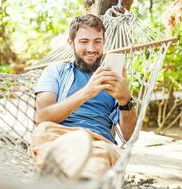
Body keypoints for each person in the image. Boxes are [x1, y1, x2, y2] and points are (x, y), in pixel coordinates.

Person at [31, 14, 137, 179]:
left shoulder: (115, 77)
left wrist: (125, 101)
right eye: (84, 41)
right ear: (71, 42)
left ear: (104, 41)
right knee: (42, 131)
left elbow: (130, 136)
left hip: (99, 141)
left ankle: (72, 181)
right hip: (60, 136)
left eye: (97, 41)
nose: (91, 49)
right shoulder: (56, 71)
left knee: (99, 158)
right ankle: (74, 179)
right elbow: (41, 118)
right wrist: (87, 92)